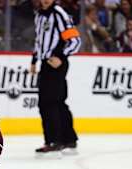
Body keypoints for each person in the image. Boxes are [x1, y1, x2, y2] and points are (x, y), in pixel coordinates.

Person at [30, 0, 81, 155]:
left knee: (49, 102)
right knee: (56, 101)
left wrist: (61, 56)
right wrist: (34, 60)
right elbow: (39, 41)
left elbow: (75, 40)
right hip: (46, 63)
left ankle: (54, 140)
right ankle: (69, 139)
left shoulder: (59, 13)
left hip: (57, 63)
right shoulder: (38, 15)